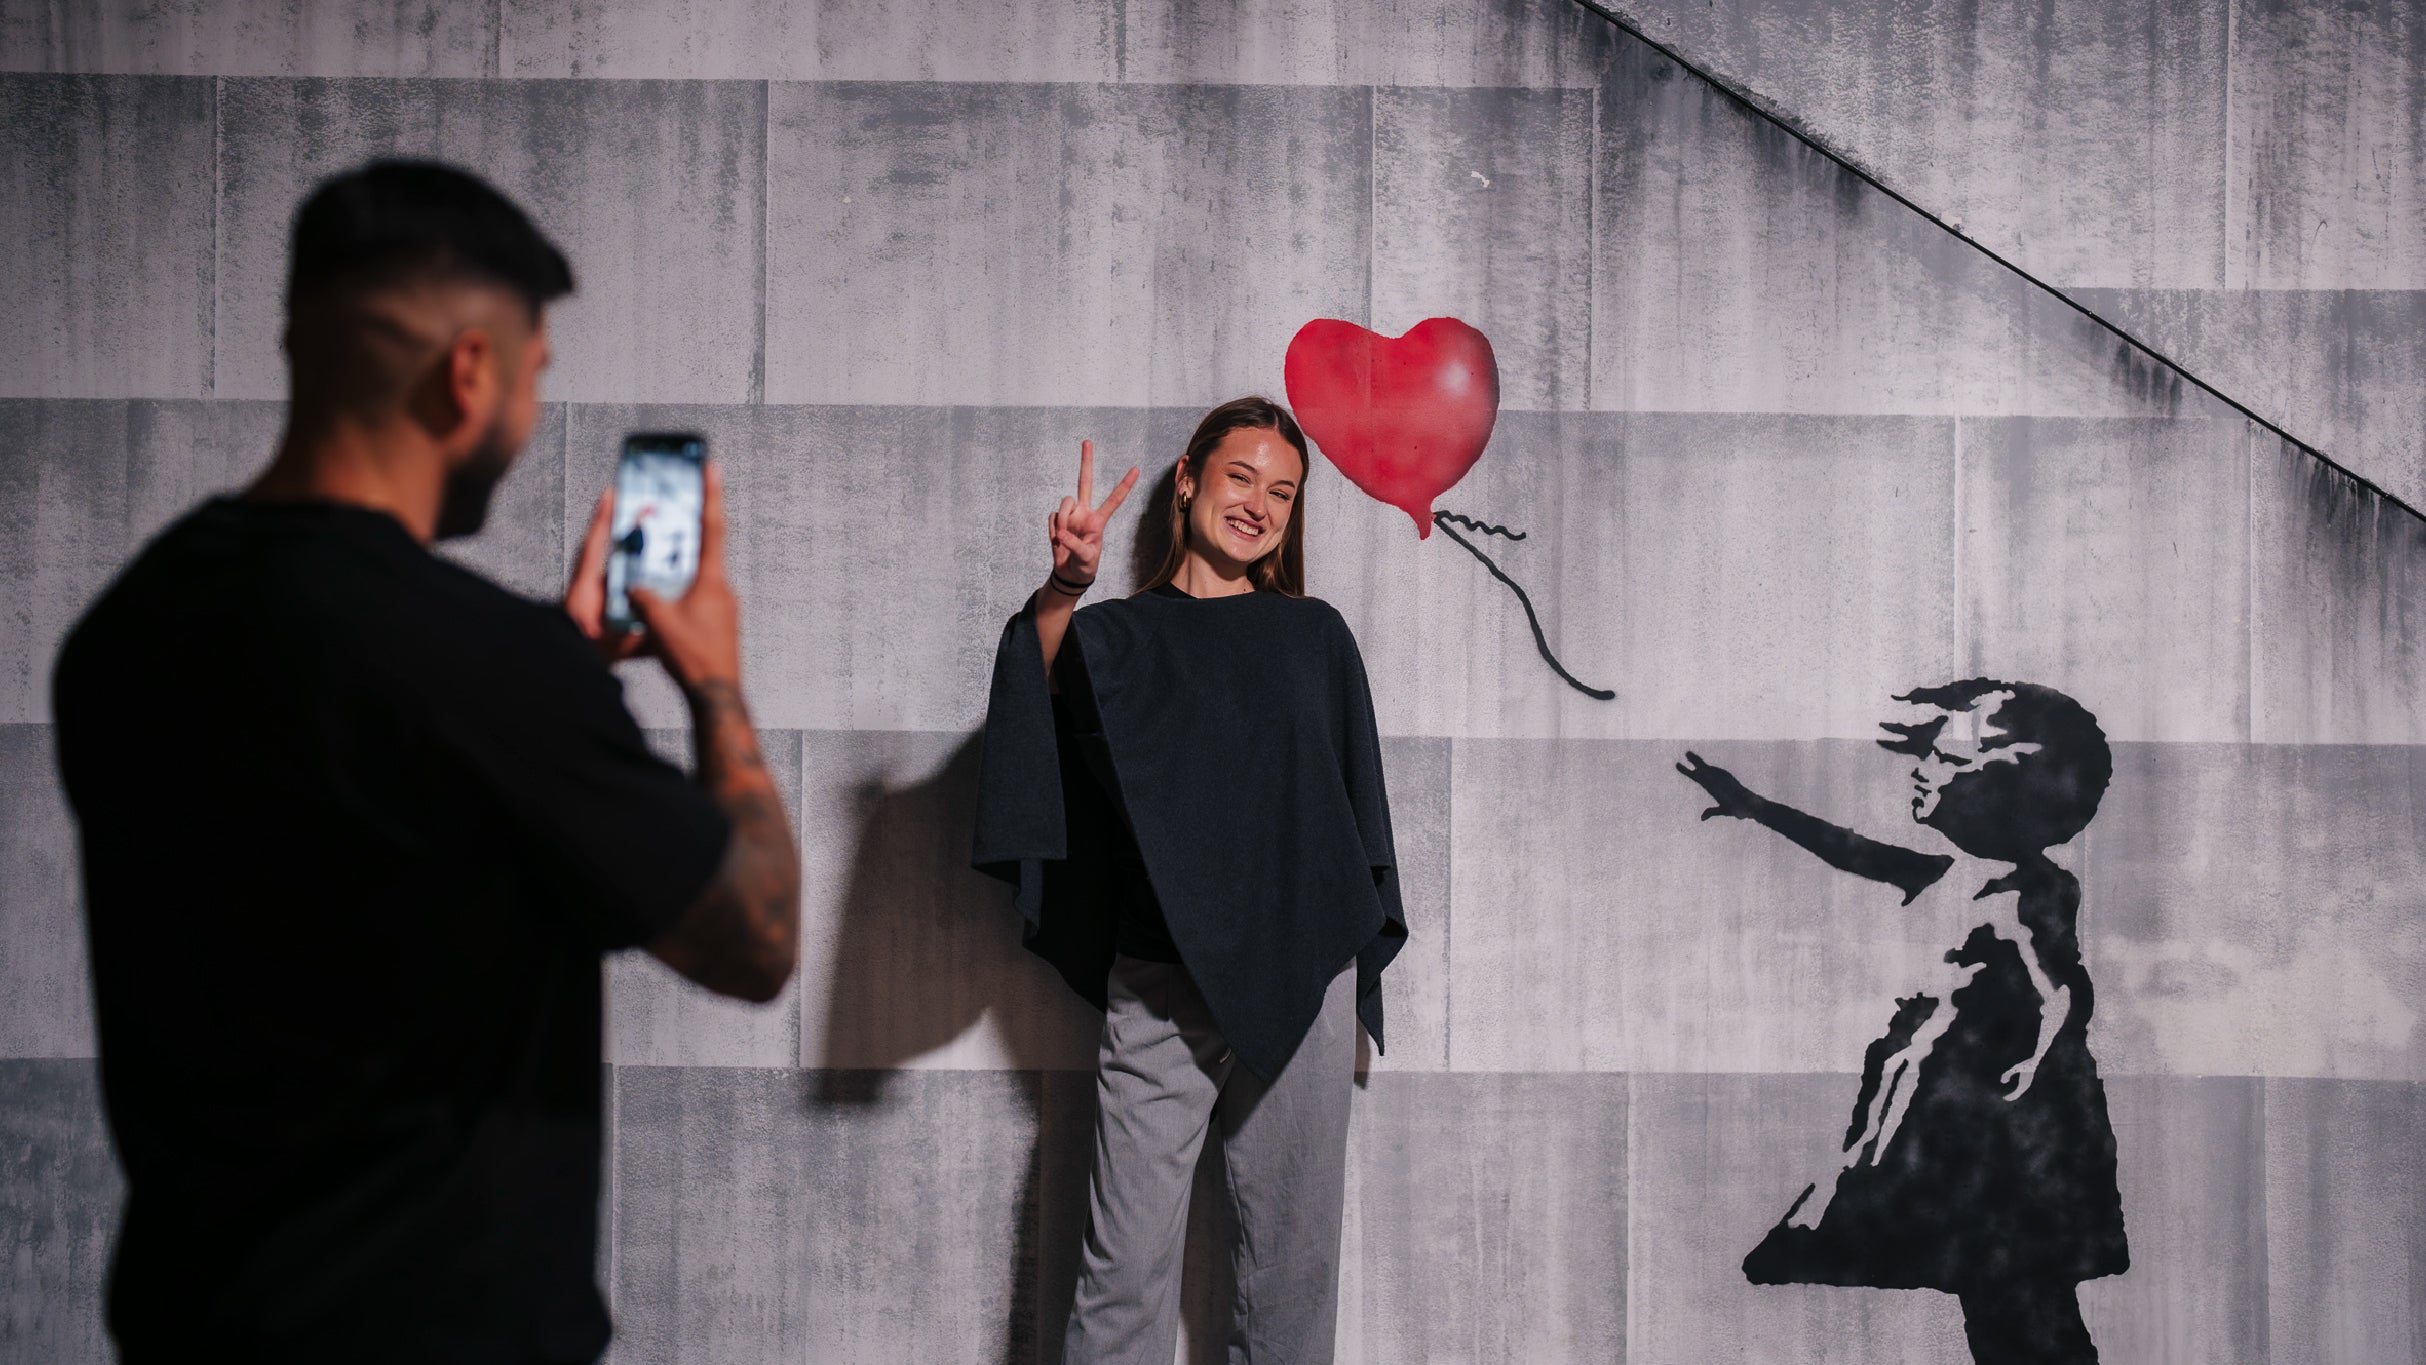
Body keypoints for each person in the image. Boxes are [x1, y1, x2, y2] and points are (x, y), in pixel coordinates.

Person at [51, 160, 800, 1364]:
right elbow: (753, 939)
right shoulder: (488, 671)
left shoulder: (129, 625)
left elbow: (355, 843)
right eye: (533, 377)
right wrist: (713, 681)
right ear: (468, 372)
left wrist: (554, 673)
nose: (528, 416)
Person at [972, 397, 1407, 1363]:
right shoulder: (1116, 633)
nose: (1259, 504)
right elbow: (1039, 696)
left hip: (1303, 975)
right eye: (1241, 476)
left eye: (1282, 492)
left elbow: (1352, 811)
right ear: (1187, 480)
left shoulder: (1315, 634)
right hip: (1161, 982)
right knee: (1119, 1280)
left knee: (1292, 1279)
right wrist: (1065, 583)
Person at [1676, 680, 2128, 1365]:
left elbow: (2063, 987)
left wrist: (2037, 1058)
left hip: (1998, 1122)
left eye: (1945, 759)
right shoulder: (1951, 874)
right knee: (2007, 1299)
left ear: (2006, 788)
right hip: (1952, 1104)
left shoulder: (2021, 891)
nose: (1922, 768)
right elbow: (1850, 849)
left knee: (2018, 1299)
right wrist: (1757, 807)